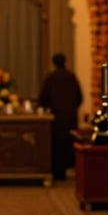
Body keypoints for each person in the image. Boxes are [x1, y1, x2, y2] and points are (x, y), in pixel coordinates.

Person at [39, 53, 83, 181]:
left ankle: (57, 171)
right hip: (70, 117)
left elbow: (43, 97)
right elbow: (80, 97)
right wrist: (71, 108)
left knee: (56, 145)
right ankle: (67, 168)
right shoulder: (71, 77)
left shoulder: (51, 78)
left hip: (56, 117)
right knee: (68, 143)